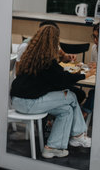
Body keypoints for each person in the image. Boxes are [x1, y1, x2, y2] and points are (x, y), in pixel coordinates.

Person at [10, 25, 95, 159]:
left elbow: (56, 77)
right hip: (29, 103)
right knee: (72, 95)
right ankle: (79, 134)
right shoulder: (47, 61)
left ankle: (52, 148)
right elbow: (62, 79)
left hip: (16, 101)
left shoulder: (31, 56)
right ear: (54, 41)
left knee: (66, 110)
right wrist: (86, 75)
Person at [16, 21, 85, 104]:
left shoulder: (52, 46)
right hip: (35, 88)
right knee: (74, 94)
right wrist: (86, 75)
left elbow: (63, 57)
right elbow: (18, 72)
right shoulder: (26, 47)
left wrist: (68, 56)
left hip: (46, 83)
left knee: (70, 101)